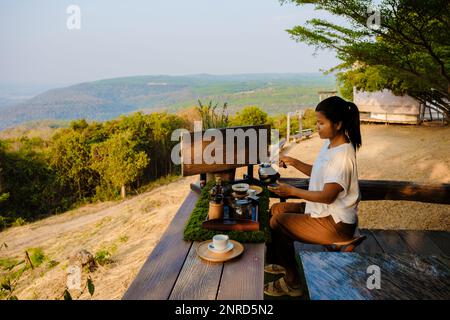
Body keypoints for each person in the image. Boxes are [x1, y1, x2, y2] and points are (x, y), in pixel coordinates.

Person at [264, 96, 362, 297]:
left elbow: (327, 196)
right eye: (316, 122)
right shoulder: (330, 145)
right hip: (324, 213)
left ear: (338, 124)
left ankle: (292, 282)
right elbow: (320, 173)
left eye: (321, 123)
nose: (317, 127)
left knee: (279, 222)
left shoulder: (342, 155)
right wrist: (294, 162)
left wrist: (291, 192)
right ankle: (283, 262)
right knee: (276, 210)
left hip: (336, 223)